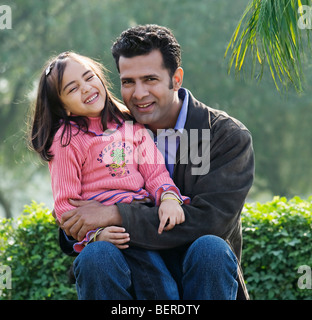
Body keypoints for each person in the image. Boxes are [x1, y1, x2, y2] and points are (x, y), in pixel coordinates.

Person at [57, 25, 255, 300]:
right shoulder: (107, 131)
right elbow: (75, 220)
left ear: (176, 79)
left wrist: (116, 213)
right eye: (128, 82)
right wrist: (90, 229)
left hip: (202, 276)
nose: (138, 94)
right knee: (97, 256)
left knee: (210, 247)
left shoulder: (226, 136)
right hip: (128, 272)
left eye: (150, 79)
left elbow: (209, 222)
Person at [31, 51, 190, 298]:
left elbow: (156, 174)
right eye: (72, 89)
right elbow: (66, 207)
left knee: (163, 291)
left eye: (89, 77)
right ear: (63, 107)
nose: (86, 88)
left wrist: (169, 198)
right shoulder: (66, 140)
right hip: (107, 235)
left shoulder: (133, 128)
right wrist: (95, 236)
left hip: (140, 227)